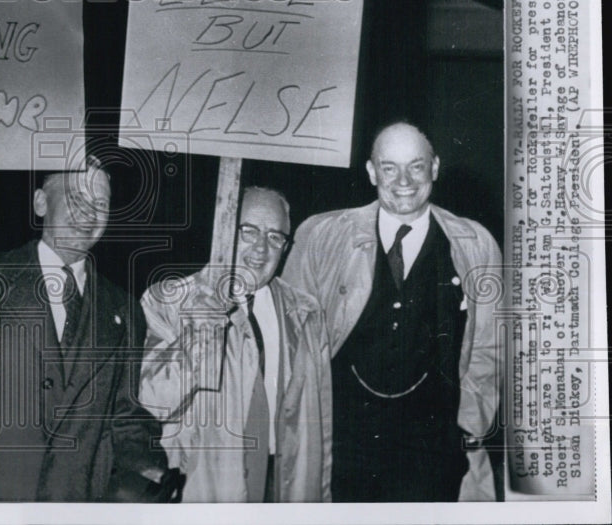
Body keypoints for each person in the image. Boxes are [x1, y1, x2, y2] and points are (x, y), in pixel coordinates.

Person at [283, 121, 502, 502]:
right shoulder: (322, 236)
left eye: (416, 166)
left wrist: (471, 423)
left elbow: (488, 345)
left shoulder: (475, 244)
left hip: (433, 452)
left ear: (434, 168)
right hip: (344, 448)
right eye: (389, 167)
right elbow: (290, 339)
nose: (404, 180)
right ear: (371, 172)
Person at [0, 154, 172, 501]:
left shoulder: (123, 309)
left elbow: (125, 415)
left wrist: (147, 472)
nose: (90, 212)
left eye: (101, 202)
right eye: (77, 197)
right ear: (41, 202)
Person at [139, 186, 331, 502]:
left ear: (285, 248)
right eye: (249, 231)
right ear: (224, 231)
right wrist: (201, 327)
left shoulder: (307, 313)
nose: (261, 248)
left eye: (274, 237)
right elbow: (153, 402)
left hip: (284, 487)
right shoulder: (170, 301)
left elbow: (321, 428)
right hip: (207, 491)